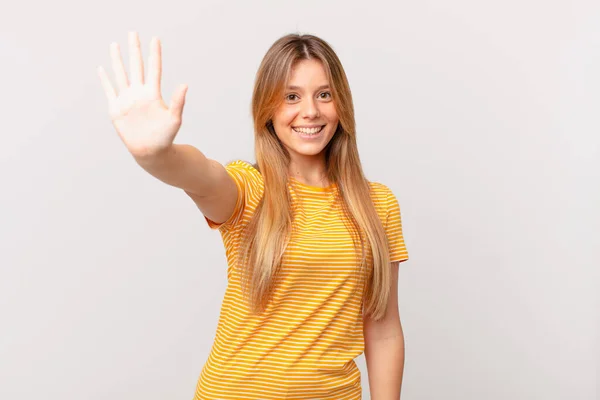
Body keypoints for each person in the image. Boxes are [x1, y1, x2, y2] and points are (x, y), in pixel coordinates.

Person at [98, 31, 409, 400]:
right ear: (268, 110)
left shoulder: (378, 204)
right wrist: (156, 156)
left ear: (341, 104)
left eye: (324, 94)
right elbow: (202, 176)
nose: (310, 111)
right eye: (291, 97)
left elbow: (383, 326)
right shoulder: (249, 190)